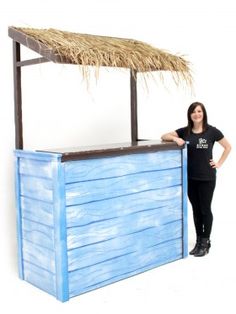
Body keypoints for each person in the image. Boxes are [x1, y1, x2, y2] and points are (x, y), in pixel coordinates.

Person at [161, 102, 231, 257]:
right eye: (193, 112)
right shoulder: (185, 132)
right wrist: (175, 139)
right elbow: (163, 136)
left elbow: (228, 147)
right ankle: (199, 240)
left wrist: (218, 163)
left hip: (207, 177)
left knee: (205, 209)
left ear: (203, 113)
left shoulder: (211, 131)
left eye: (199, 111)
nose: (196, 114)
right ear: (190, 115)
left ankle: (206, 241)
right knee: (196, 210)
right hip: (190, 178)